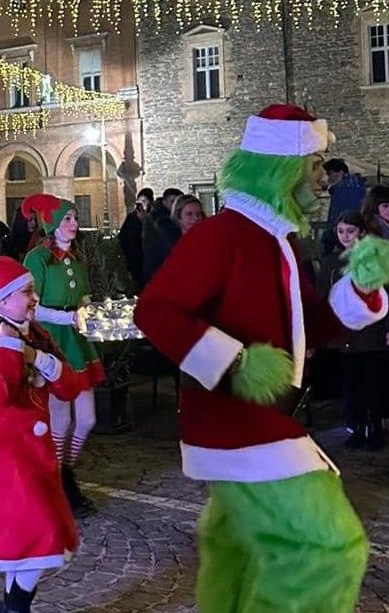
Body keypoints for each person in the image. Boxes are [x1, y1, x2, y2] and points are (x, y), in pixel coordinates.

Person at [134, 105, 389, 613]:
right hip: (237, 427)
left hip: (259, 422)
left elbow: (310, 326)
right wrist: (235, 364)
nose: (323, 179)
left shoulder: (282, 242)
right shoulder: (220, 236)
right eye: (315, 165)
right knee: (328, 546)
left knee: (240, 557)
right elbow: (156, 311)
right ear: (284, 167)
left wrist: (359, 288)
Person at [0, 256, 84, 613]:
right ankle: (14, 608)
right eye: (26, 291)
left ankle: (11, 608)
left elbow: (70, 386)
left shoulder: (37, 334)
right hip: (8, 456)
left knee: (24, 541)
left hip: (35, 454)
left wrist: (36, 356)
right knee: (42, 532)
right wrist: (13, 348)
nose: (33, 297)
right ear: (2, 300)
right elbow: (1, 393)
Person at [22, 194, 104, 517]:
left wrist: (91, 312)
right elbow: (33, 305)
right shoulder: (37, 259)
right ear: (53, 224)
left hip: (77, 341)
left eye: (74, 218)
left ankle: (64, 470)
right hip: (53, 340)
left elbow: (82, 295)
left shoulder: (76, 258)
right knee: (62, 419)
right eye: (67, 219)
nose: (74, 224)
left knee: (87, 419)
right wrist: (67, 318)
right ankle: (57, 483)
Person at [316, 210, 387, 450]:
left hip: (371, 334)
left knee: (372, 385)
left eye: (350, 231)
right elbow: (322, 296)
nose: (345, 236)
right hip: (343, 334)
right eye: (341, 231)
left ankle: (374, 429)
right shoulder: (330, 262)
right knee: (350, 385)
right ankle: (356, 428)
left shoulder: (375, 259)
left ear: (362, 232)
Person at [320, 158, 368, 254]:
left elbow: (336, 215)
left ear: (340, 172)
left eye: (329, 173)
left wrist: (328, 239)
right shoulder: (358, 186)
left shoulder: (342, 189)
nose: (327, 178)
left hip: (345, 237)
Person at [141, 187, 182, 284]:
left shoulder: (158, 215)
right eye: (172, 201)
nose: (175, 206)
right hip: (160, 267)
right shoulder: (160, 219)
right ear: (164, 201)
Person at [118, 188, 150, 292]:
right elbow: (123, 237)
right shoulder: (132, 218)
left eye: (144, 202)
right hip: (135, 260)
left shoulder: (154, 218)